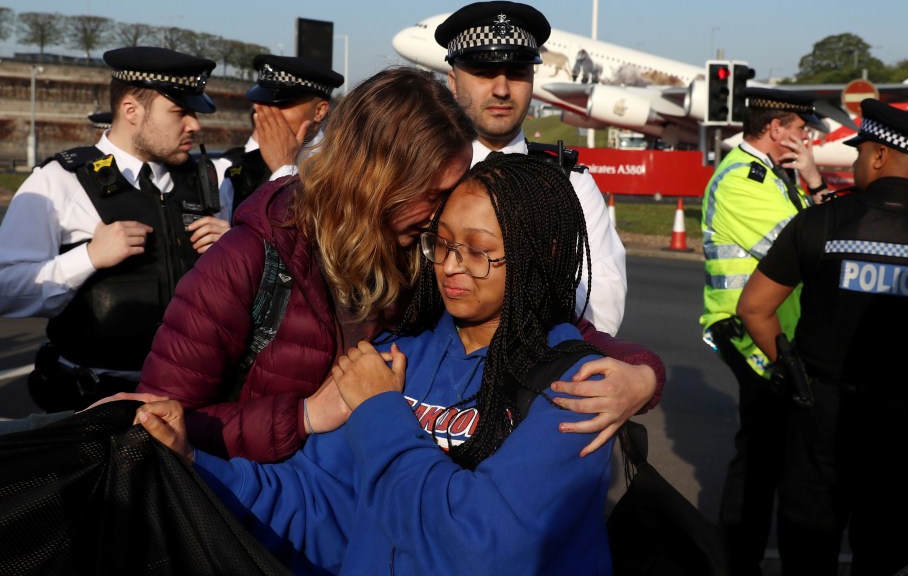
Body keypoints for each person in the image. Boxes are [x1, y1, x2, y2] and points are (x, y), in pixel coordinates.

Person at [138, 152, 617, 575]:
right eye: (443, 243)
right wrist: (194, 464)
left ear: (542, 255)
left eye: (478, 251)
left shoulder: (579, 390)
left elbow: (478, 551)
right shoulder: (400, 353)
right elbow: (315, 501)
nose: (451, 265)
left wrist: (381, 410)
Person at [138, 66, 476, 462]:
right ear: (376, 178)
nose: (440, 215)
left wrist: (567, 375)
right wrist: (305, 416)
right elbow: (157, 426)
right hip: (242, 513)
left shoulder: (422, 262)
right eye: (432, 195)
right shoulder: (248, 259)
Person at [737, 99, 908, 575]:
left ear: (878, 156)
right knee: (890, 549)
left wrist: (792, 371)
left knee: (808, 545)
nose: (856, 162)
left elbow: (754, 308)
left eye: (860, 153)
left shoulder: (821, 223)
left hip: (823, 419)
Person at [436, 1, 664, 449]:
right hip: (430, 391)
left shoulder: (570, 183)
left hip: (534, 401)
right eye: (484, 72)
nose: (502, 88)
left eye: (518, 72)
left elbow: (599, 305)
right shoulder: (425, 174)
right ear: (451, 79)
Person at [0, 46, 230, 412]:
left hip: (192, 403)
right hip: (96, 406)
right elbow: (5, 291)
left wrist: (233, 252)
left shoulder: (210, 181)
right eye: (180, 112)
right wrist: (87, 258)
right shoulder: (58, 181)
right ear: (131, 111)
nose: (195, 125)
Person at [699, 86, 828, 575]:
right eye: (801, 130)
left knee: (766, 453)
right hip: (750, 334)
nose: (807, 138)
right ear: (776, 129)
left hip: (773, 330)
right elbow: (813, 248)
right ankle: (737, 561)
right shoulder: (743, 181)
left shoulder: (772, 176)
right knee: (760, 457)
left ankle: (739, 557)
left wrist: (811, 182)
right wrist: (815, 183)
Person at [218, 54, 344, 219]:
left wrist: (283, 168)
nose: (268, 114)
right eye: (264, 103)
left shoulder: (341, 167)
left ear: (319, 111)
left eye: (282, 104)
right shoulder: (238, 169)